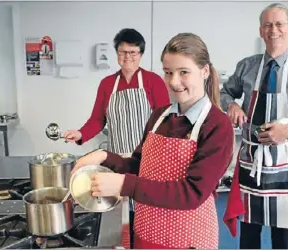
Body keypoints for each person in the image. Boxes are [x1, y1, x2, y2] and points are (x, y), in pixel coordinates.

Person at [71, 33, 234, 249]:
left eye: (183, 72)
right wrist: (104, 157)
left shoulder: (217, 125)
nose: (174, 82)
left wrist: (122, 184)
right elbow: (139, 166)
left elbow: (192, 193)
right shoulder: (160, 116)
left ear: (204, 71)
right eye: (168, 73)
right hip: (147, 232)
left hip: (186, 240)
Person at [222, 3, 288, 249]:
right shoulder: (247, 66)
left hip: (286, 163)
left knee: (283, 238)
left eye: (279, 24)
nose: (273, 30)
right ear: (261, 31)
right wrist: (231, 106)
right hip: (252, 159)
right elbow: (226, 92)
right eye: (268, 24)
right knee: (249, 233)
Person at [63, 28, 170, 248]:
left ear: (141, 54)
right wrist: (81, 134)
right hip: (117, 159)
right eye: (122, 52)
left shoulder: (153, 82)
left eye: (133, 52)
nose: (127, 57)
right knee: (121, 211)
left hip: (146, 159)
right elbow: (97, 120)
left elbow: (164, 121)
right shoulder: (107, 84)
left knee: (145, 209)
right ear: (116, 54)